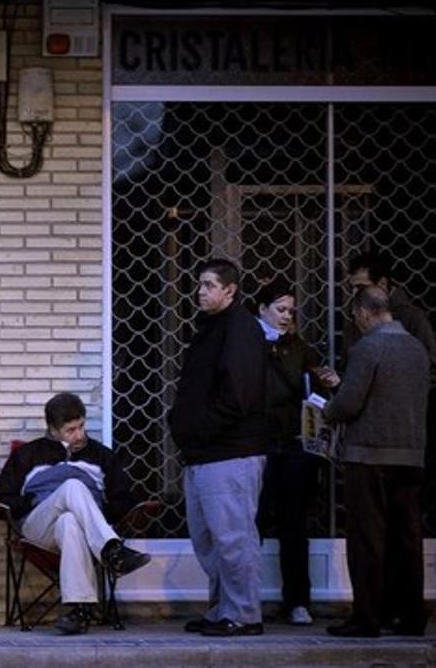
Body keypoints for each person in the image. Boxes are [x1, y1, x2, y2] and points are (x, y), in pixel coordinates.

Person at [0, 393, 152, 635]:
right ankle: (111, 551)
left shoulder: (101, 456)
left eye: (82, 426)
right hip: (38, 527)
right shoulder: (28, 455)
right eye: (71, 430)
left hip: (84, 531)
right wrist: (30, 500)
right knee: (73, 486)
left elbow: (121, 499)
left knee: (70, 521)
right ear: (53, 429)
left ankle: (79, 611)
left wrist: (119, 511)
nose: (80, 435)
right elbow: (1, 498)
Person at [320, 286, 430, 638]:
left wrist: (327, 409)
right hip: (411, 455)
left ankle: (366, 617)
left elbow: (349, 403)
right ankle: (412, 615)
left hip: (369, 456)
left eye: (356, 317)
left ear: (365, 313)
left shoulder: (369, 347)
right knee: (408, 540)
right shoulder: (417, 348)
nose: (357, 323)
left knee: (368, 539)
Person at [168, 258, 268, 637]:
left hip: (229, 451)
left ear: (230, 290)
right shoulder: (211, 328)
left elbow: (238, 395)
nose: (201, 292)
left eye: (210, 285)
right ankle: (221, 609)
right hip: (205, 453)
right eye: (199, 285)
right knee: (209, 540)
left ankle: (243, 614)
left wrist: (197, 429)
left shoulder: (239, 329)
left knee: (233, 538)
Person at [253, 280, 326, 626]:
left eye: (291, 311)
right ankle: (246, 598)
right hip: (259, 444)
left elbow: (314, 379)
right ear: (262, 309)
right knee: (252, 524)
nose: (286, 317)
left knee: (294, 526)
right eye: (281, 309)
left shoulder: (298, 345)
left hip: (294, 444)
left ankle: (297, 600)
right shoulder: (248, 343)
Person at [345, 252, 436, 388]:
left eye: (361, 287)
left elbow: (432, 372)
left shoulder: (412, 317)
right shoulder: (357, 314)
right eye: (353, 288)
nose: (355, 293)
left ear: (382, 283)